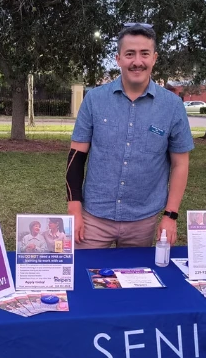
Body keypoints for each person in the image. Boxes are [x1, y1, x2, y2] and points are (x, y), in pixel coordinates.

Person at [67, 23, 194, 249]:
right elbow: (76, 157)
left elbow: (180, 164)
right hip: (93, 218)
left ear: (154, 58)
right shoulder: (94, 100)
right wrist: (74, 209)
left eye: (144, 53)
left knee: (136, 282)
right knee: (84, 279)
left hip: (143, 221)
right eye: (129, 54)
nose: (137, 61)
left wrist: (170, 215)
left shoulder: (173, 106)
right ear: (118, 59)